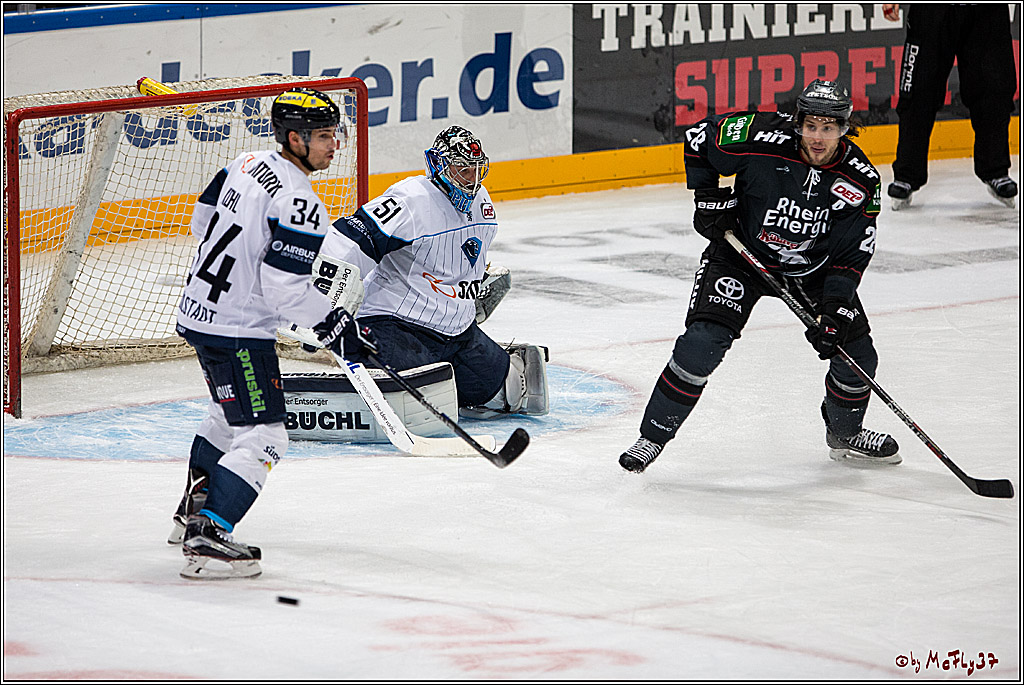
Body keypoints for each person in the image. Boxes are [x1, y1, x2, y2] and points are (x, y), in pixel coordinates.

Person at [619, 79, 901, 473]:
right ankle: (652, 437)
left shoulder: (860, 181)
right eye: (810, 126)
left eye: (828, 128)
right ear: (797, 122)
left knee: (856, 356)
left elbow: (850, 256)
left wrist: (835, 310)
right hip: (742, 255)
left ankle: (844, 431)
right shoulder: (761, 135)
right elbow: (699, 138)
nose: (817, 137)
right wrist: (706, 197)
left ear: (844, 128)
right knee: (701, 345)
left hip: (812, 271)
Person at [169, 88, 377, 579]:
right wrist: (334, 324)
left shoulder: (243, 163)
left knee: (227, 420)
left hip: (200, 312)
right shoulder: (300, 201)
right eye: (325, 136)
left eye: (334, 134)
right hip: (238, 330)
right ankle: (210, 533)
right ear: (294, 138)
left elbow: (202, 219)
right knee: (266, 436)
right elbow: (285, 290)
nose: (335, 145)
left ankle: (190, 514)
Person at [317, 125, 548, 420]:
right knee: (419, 402)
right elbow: (349, 239)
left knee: (501, 388)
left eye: (477, 170)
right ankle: (363, 350)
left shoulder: (483, 203)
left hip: (456, 333)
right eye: (462, 169)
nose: (471, 180)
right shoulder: (411, 200)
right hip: (396, 324)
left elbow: (462, 259)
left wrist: (469, 290)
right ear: (438, 165)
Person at [882, 3, 1018, 210]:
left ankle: (996, 170)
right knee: (918, 91)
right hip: (932, 10)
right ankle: (907, 175)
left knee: (994, 91)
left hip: (987, 10)